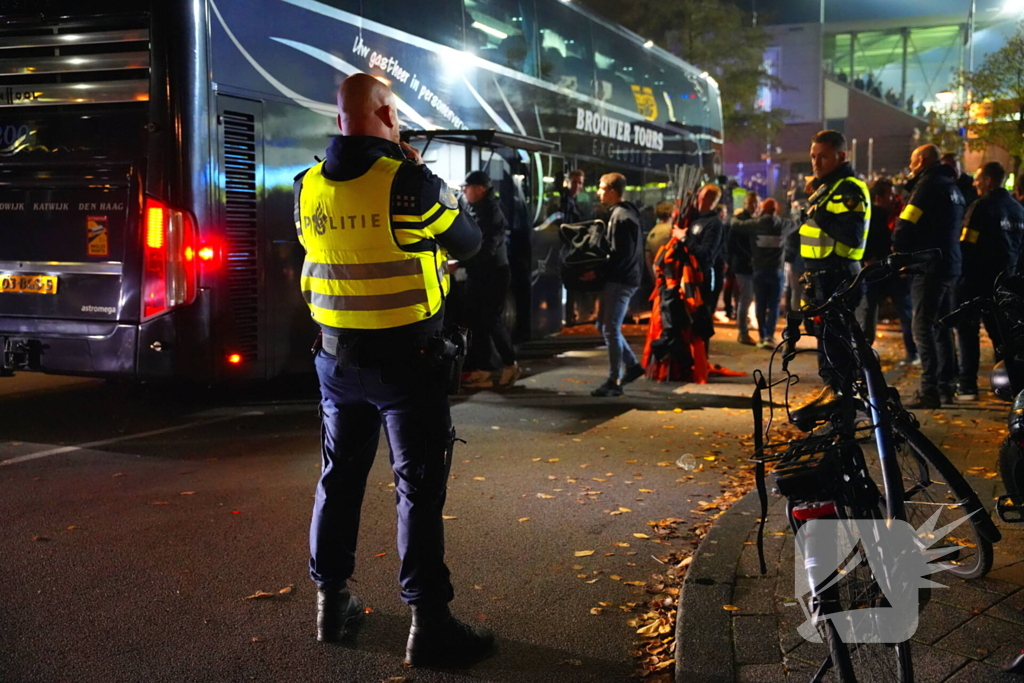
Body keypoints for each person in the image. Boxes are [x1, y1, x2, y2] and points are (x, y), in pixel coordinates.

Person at [293, 73, 493, 667]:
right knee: (418, 490)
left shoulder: (306, 188)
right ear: (387, 113)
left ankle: (332, 607)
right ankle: (429, 625)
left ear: (338, 123)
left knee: (338, 481)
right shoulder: (410, 185)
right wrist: (419, 172)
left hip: (334, 361)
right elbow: (471, 241)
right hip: (408, 364)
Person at [790, 130, 871, 420]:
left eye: (822, 156)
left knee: (837, 347)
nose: (816, 162)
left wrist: (817, 210)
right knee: (826, 343)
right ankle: (836, 405)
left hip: (838, 276)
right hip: (820, 277)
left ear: (841, 156)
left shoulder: (848, 189)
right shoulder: (825, 188)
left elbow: (850, 236)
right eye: (813, 156)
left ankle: (845, 411)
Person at [892, 144, 965, 408]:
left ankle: (929, 389)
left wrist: (899, 249)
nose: (910, 167)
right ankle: (947, 385)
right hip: (950, 264)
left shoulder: (927, 186)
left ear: (921, 161)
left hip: (929, 266)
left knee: (922, 326)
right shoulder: (952, 187)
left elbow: (907, 222)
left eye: (912, 162)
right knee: (942, 326)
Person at [957, 161, 1024, 400]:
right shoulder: (1018, 210)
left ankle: (967, 385)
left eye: (978, 178)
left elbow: (967, 245)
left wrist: (961, 277)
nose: (975, 183)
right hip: (1006, 283)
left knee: (968, 332)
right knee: (1002, 336)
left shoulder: (981, 207)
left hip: (977, 280)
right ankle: (1009, 386)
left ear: (988, 180)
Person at [460, 170, 519, 389]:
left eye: (467, 187)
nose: (464, 191)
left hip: (494, 273)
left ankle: (510, 364)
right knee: (476, 321)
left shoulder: (492, 213)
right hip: (478, 273)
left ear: (480, 189)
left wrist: (460, 262)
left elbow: (488, 249)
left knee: (492, 319)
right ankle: (482, 370)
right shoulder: (473, 208)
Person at [591, 172, 645, 397]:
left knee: (610, 329)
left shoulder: (621, 218)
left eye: (602, 188)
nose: (598, 192)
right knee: (604, 326)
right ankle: (632, 367)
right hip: (624, 279)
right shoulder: (626, 214)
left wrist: (599, 271)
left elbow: (620, 256)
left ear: (612, 191)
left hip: (620, 280)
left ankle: (615, 380)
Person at [858, 178, 917, 364]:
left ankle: (913, 352)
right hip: (876, 271)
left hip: (894, 271)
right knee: (869, 314)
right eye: (889, 194)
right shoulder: (871, 215)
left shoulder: (895, 214)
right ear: (878, 197)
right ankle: (863, 352)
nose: (894, 197)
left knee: (905, 312)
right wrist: (868, 259)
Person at [730, 198, 790, 348]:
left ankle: (762, 336)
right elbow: (798, 222)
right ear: (775, 210)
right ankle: (769, 335)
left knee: (760, 304)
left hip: (759, 271)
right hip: (776, 271)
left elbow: (735, 225)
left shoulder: (755, 224)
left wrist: (735, 215)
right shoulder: (783, 225)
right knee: (774, 305)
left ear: (763, 209)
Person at [684, 183, 727, 332]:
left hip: (704, 279)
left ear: (708, 198)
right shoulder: (695, 219)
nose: (697, 198)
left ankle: (702, 354)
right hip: (691, 278)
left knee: (701, 322)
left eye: (700, 195)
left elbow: (706, 253)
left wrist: (684, 239)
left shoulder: (714, 224)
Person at [729, 191, 758, 344]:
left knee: (746, 298)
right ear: (746, 204)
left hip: (745, 264)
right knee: (745, 299)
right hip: (743, 265)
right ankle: (742, 332)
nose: (754, 206)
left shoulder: (748, 220)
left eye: (755, 203)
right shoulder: (741, 221)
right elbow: (733, 244)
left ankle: (743, 329)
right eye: (751, 203)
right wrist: (749, 257)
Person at [561, 169, 586, 325]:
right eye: (575, 182)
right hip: (566, 248)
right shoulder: (565, 201)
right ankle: (569, 315)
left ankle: (570, 314)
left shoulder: (573, 201)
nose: (577, 186)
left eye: (580, 183)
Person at [645, 201, 675, 281]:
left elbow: (648, 256)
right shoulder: (672, 231)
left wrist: (654, 278)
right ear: (672, 214)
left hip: (658, 275)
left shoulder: (652, 232)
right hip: (670, 276)